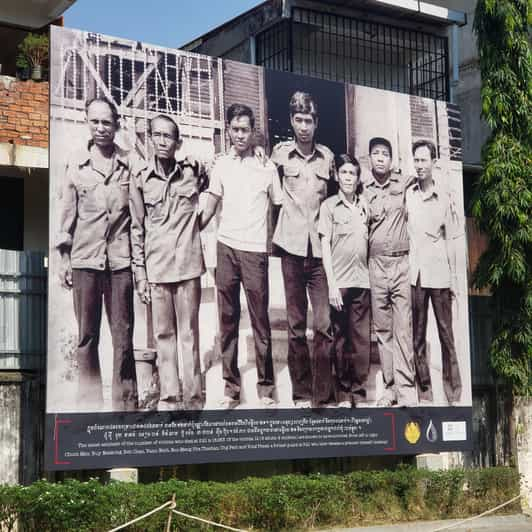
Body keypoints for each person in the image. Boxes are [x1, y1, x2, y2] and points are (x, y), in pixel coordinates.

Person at [199, 103, 282, 409]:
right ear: (229, 130)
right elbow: (209, 206)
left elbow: (279, 207)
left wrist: (274, 246)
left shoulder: (267, 167)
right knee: (228, 319)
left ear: (253, 131)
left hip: (255, 251)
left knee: (261, 321)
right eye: (234, 129)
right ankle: (231, 388)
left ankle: (265, 389)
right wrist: (188, 228)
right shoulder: (220, 165)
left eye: (245, 129)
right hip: (226, 248)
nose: (239, 135)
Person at [57, 97, 137, 411]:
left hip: (119, 262)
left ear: (117, 124)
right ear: (87, 123)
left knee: (123, 336)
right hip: (84, 261)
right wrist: (63, 257)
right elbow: (66, 216)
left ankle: (125, 406)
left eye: (107, 122)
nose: (101, 128)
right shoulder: (76, 165)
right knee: (87, 336)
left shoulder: (130, 162)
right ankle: (89, 404)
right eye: (95, 121)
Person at [130, 114, 205, 411]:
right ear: (150, 138)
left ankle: (194, 400)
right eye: (157, 135)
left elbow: (215, 183)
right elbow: (137, 228)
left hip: (188, 268)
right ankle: (170, 399)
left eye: (168, 136)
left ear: (178, 142)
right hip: (157, 269)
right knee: (164, 336)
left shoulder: (192, 172)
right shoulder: (141, 180)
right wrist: (140, 274)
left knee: (189, 336)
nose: (162, 141)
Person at [271, 91, 336, 408]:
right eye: (298, 120)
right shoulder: (280, 156)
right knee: (296, 327)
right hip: (291, 251)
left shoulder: (328, 158)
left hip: (320, 254)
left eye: (309, 120)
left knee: (323, 325)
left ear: (316, 123)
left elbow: (336, 201)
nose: (304, 126)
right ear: (291, 121)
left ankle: (322, 394)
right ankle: (300, 392)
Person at [406, 139, 462, 404]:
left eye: (423, 160)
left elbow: (451, 239)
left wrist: (452, 278)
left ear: (433, 162)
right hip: (416, 275)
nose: (419, 165)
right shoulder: (409, 194)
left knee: (445, 334)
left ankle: (453, 391)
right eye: (415, 160)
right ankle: (424, 390)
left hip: (439, 274)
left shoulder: (445, 198)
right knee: (417, 335)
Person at [364, 137, 417, 407]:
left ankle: (407, 390)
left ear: (392, 159)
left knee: (403, 329)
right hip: (376, 265)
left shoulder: (404, 183)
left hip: (401, 265)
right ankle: (390, 388)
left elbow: (424, 173)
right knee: (383, 330)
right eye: (376, 153)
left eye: (386, 153)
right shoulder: (362, 189)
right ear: (369, 158)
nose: (381, 158)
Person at [319, 154, 371, 407]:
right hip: (340, 283)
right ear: (336, 176)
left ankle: (359, 394)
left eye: (353, 173)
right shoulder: (329, 207)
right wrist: (331, 285)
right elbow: (325, 246)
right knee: (339, 340)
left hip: (362, 281)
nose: (349, 178)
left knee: (360, 341)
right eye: (344, 173)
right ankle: (342, 393)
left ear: (358, 178)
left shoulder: (365, 206)